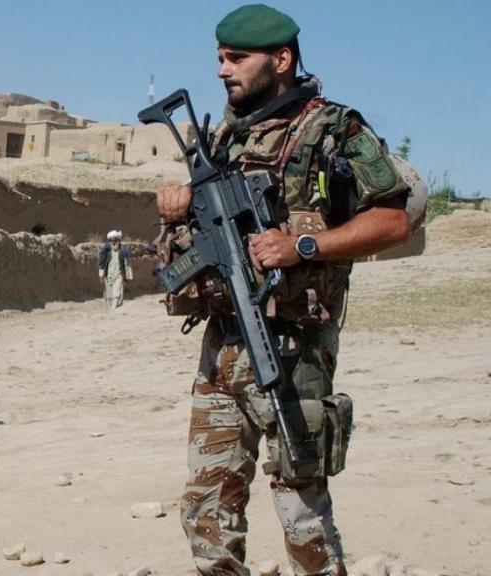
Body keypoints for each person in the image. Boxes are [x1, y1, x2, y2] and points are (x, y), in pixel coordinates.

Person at [155, 5, 412, 575]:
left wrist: (302, 245)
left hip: (294, 350)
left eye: (236, 58)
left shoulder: (335, 128)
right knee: (205, 508)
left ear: (282, 59)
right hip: (222, 345)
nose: (223, 70)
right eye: (219, 58)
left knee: (301, 509)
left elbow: (395, 222)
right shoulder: (223, 135)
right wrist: (179, 205)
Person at [98, 230, 134, 310]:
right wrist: (101, 275)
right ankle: (111, 307)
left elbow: (127, 264)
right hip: (108, 275)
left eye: (115, 240)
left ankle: (114, 308)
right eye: (111, 240)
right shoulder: (107, 253)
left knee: (117, 291)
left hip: (119, 275)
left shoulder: (122, 252)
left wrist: (127, 277)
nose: (113, 242)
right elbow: (102, 263)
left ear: (118, 240)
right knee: (109, 293)